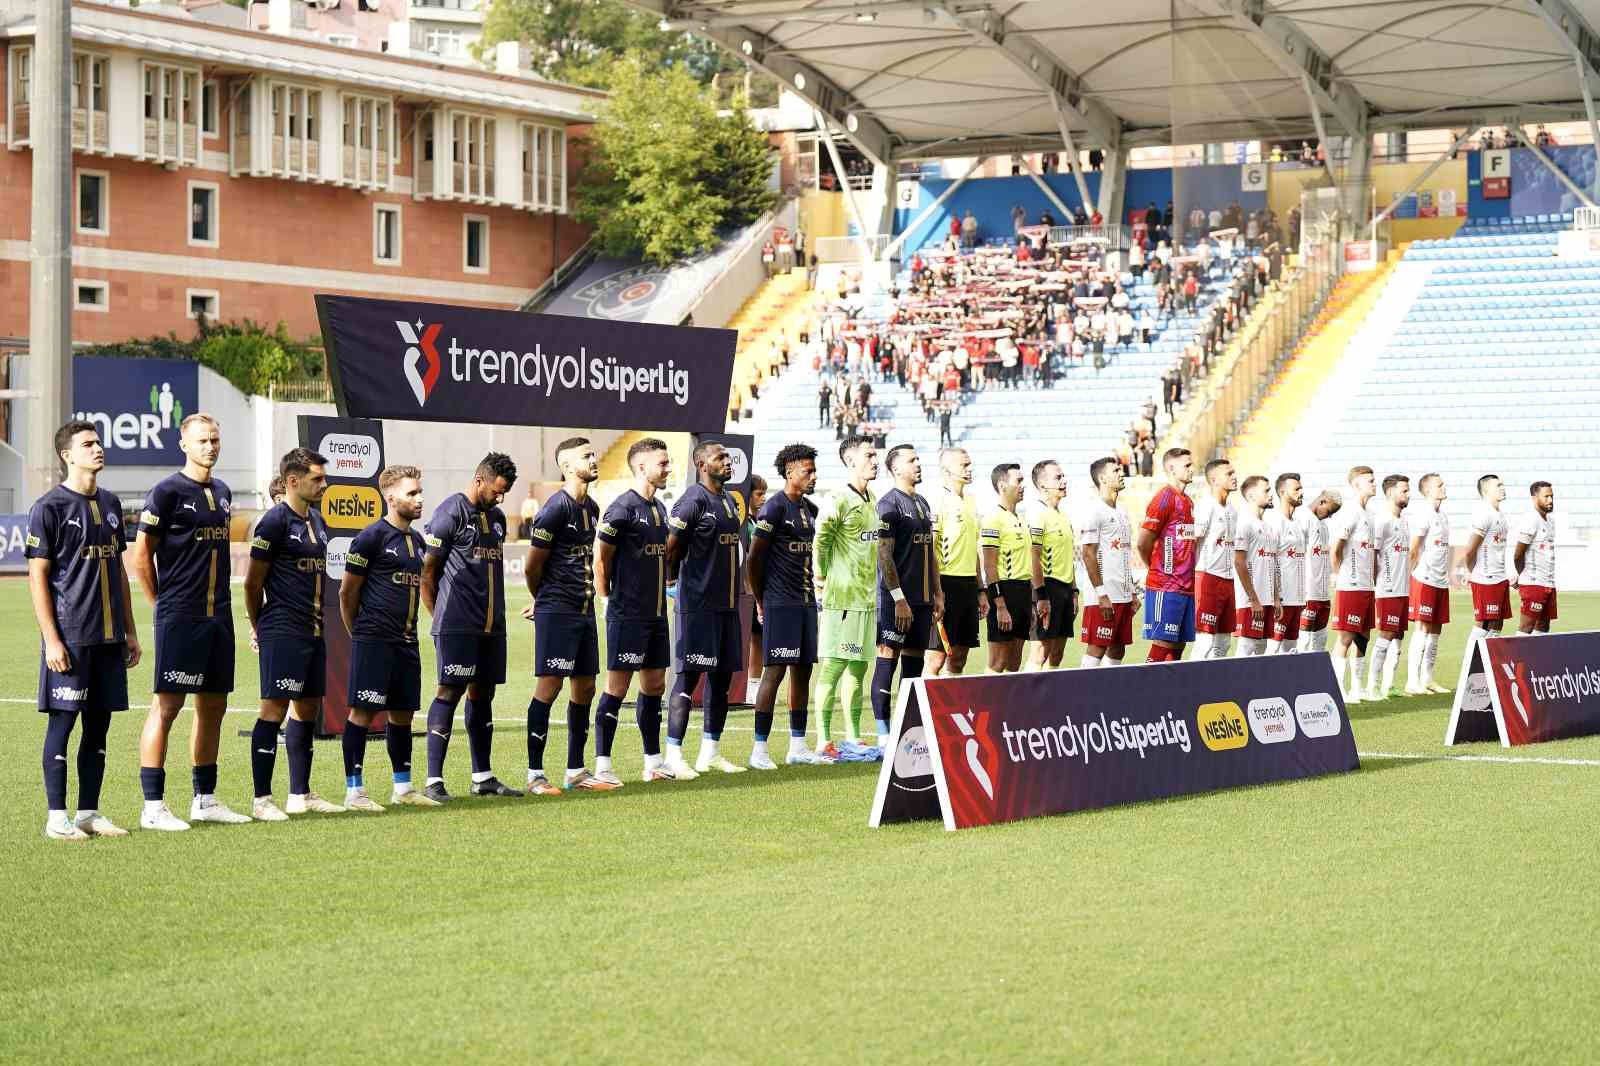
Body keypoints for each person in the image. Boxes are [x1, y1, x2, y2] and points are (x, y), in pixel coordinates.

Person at [131, 413, 250, 831]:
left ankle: (205, 799)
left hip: (219, 616)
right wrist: (161, 605)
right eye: (202, 440)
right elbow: (141, 556)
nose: (210, 446)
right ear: (183, 444)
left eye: (214, 439)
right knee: (167, 706)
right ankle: (153, 807)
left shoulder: (223, 491)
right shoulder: (166, 492)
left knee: (214, 705)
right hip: (180, 616)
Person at [27, 420, 140, 839]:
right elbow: (37, 577)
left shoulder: (110, 502)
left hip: (109, 638)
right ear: (67, 455)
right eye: (88, 444)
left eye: (98, 442)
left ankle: (89, 813)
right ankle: (57, 818)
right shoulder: (49, 507)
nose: (97, 448)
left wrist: (130, 631)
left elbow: (119, 571)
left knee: (98, 728)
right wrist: (51, 639)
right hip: (71, 638)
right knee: (62, 725)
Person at [245, 447, 344, 818]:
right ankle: (261, 800)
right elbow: (252, 584)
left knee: (307, 708)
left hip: (314, 630)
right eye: (317, 479)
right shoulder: (273, 522)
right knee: (274, 709)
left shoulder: (318, 520)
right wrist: (260, 625)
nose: (324, 484)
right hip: (283, 629)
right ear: (292, 481)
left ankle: (300, 795)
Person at [420, 452, 523, 802]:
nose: (500, 498)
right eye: (497, 490)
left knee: (483, 694)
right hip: (457, 625)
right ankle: (434, 781)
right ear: (479, 480)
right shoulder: (450, 512)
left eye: (505, 492)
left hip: (492, 626)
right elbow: (428, 573)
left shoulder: (497, 519)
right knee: (450, 692)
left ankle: (483, 777)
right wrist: (440, 618)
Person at [338, 464, 437, 810]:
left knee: (403, 715)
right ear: (391, 498)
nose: (419, 499)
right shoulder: (370, 537)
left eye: (420, 492)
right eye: (412, 493)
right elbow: (347, 594)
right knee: (363, 713)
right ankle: (355, 792)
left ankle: (403, 788)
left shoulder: (418, 541)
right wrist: (361, 635)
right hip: (374, 641)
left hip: (407, 643)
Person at [523, 437, 616, 793]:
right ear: (566, 466)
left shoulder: (591, 507)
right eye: (585, 456)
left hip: (584, 610)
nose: (594, 459)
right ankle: (535, 775)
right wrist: (544, 600)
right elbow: (532, 567)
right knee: (550, 687)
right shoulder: (554, 509)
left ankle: (576, 771)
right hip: (559, 610)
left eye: (593, 454)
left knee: (586, 688)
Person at [595, 438, 675, 782]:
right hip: (627, 614)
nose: (668, 468)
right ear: (642, 467)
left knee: (655, 685)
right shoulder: (622, 509)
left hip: (656, 614)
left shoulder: (659, 508)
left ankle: (653, 763)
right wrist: (606, 600)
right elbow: (600, 559)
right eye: (663, 463)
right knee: (617, 688)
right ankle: (603, 766)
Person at [665, 440, 745, 776]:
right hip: (698, 606)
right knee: (688, 679)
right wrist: (673, 583)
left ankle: (710, 753)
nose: (727, 462)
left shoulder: (728, 500)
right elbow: (671, 547)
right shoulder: (693, 500)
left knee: (721, 679)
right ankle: (673, 755)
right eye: (720, 457)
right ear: (701, 465)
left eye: (727, 457)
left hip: (727, 606)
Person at [747, 444, 830, 767]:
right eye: (808, 471)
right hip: (780, 603)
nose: (813, 476)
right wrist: (761, 600)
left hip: (806, 602)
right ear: (789, 472)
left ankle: (798, 746)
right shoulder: (773, 509)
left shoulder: (810, 508)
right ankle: (759, 750)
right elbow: (754, 560)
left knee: (803, 672)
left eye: (814, 470)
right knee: (775, 671)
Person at [871, 445, 943, 744]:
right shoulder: (888, 504)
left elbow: (930, 551)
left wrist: (938, 592)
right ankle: (883, 735)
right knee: (888, 658)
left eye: (918, 459)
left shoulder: (923, 502)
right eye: (912, 460)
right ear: (896, 468)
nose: (918, 464)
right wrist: (898, 598)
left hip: (922, 599)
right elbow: (883, 554)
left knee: (914, 665)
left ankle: (904, 732)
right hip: (895, 600)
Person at [812, 435, 880, 750]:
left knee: (859, 668)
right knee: (834, 667)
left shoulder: (872, 498)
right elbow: (820, 542)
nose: (875, 461)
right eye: (869, 456)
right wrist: (820, 581)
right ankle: (824, 739)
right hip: (842, 600)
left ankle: (853, 736)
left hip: (867, 601)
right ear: (850, 460)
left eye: (875, 456)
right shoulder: (837, 499)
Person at [926, 448, 987, 678]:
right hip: (945, 583)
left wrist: (981, 589)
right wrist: (936, 591)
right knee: (936, 656)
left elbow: (974, 549)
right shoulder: (937, 501)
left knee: (960, 656)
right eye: (964, 465)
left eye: (969, 464)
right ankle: (922, 700)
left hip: (968, 586)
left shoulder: (971, 501)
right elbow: (930, 549)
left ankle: (949, 699)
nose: (969, 469)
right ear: (946, 470)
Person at [1138, 448, 1197, 662]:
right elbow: (1143, 542)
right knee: (1162, 644)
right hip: (1166, 585)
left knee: (1178, 647)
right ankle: (1146, 683)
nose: (1192, 469)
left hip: (1186, 586)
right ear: (1171, 468)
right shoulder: (1164, 497)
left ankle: (1171, 685)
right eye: (1187, 465)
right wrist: (1157, 568)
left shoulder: (1188, 502)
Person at [1077, 457, 1136, 666]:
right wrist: (1101, 594)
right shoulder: (1094, 511)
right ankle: (1083, 686)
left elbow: (1124, 554)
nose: (1121, 473)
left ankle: (1109, 687)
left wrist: (1132, 592)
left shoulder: (1122, 510)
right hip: (1103, 595)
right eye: (1116, 471)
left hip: (1123, 593)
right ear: (1102, 479)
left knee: (1118, 648)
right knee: (1097, 647)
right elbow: (1088, 553)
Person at [1329, 466, 1379, 705]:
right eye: (1370, 481)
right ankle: (1337, 688)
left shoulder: (1369, 514)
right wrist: (1338, 574)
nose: (1374, 484)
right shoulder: (1350, 512)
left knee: (1364, 636)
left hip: (1366, 586)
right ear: (1357, 485)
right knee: (1345, 637)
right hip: (1350, 585)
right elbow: (1336, 548)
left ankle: (1357, 688)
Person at [980, 463, 1031, 674]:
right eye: (1018, 481)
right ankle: (986, 696)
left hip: (1023, 592)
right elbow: (989, 565)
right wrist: (1000, 606)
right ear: (1002, 485)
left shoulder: (1021, 518)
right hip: (1005, 593)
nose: (1023, 485)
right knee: (998, 661)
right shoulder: (993, 518)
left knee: (1014, 662)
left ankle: (1011, 698)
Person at [1365, 475, 1412, 700]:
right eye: (1404, 491)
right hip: (1388, 588)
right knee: (1386, 634)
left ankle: (1389, 684)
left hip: (1404, 588)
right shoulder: (1381, 521)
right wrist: (1378, 583)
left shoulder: (1404, 521)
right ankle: (1372, 685)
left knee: (1398, 635)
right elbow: (1372, 555)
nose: (1408, 495)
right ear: (1392, 492)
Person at [1026, 460, 1075, 670]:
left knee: (1057, 652)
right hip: (1047, 587)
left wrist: (1074, 591)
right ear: (1043, 485)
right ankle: (1027, 689)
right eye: (1058, 477)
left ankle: (1051, 689)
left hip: (1065, 588)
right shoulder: (1037, 513)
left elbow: (1068, 557)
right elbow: (1033, 556)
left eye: (1063, 476)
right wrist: (1041, 594)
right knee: (1041, 650)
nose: (1064, 481)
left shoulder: (1063, 516)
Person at [1405, 473, 1452, 694]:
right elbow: (1414, 549)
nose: (1443, 487)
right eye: (1439, 485)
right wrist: (1408, 576)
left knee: (1435, 630)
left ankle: (1427, 679)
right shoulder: (1423, 514)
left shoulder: (1443, 516)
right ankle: (1412, 681)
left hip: (1440, 581)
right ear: (1428, 490)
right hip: (1424, 579)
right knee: (1422, 628)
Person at [1192, 459, 1239, 659]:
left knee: (1224, 642)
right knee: (1205, 641)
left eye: (1234, 472)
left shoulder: (1232, 510)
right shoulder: (1205, 506)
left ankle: (1216, 679)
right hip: (1207, 577)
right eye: (1229, 473)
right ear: (1213, 480)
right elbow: (1192, 541)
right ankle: (1194, 678)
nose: (1234, 477)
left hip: (1228, 579)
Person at [1464, 474, 1512, 648]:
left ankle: (1486, 662)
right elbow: (1470, 550)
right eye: (1498, 485)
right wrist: (1471, 571)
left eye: (1502, 484)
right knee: (1484, 623)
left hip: (1500, 578)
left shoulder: (1500, 515)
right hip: (1486, 579)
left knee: (1497, 625)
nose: (1502, 488)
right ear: (1486, 491)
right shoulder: (1484, 515)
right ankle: (1469, 661)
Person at [1231, 475, 1276, 657]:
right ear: (1251, 496)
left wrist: (1276, 598)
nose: (1270, 494)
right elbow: (1239, 562)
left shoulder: (1268, 526)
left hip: (1267, 599)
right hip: (1250, 601)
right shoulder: (1244, 522)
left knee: (1261, 648)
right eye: (1266, 491)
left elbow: (1271, 564)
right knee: (1246, 648)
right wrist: (1253, 599)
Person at [1296, 490, 1341, 653]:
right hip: (1307, 594)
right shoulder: (1302, 519)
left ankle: (1315, 670)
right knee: (1304, 640)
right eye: (1330, 511)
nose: (1330, 516)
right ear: (1322, 502)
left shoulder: (1324, 526)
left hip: (1323, 594)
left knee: (1320, 640)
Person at [1266, 473, 1305, 654]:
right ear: (1282, 492)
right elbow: (1269, 561)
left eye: (1301, 488)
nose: (1301, 492)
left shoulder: (1297, 523)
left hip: (1296, 599)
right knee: (1272, 649)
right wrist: (1275, 597)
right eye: (1296, 489)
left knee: (1291, 651)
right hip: (1281, 599)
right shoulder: (1274, 521)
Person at [1514, 481, 1557, 634]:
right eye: (1546, 497)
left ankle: (1539, 652)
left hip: (1548, 583)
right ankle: (1517, 651)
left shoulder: (1550, 521)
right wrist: (1522, 575)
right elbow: (1518, 554)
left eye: (1551, 496)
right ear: (1534, 498)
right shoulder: (1531, 519)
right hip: (1533, 584)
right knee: (1526, 627)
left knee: (1543, 628)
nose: (1550, 500)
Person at [742, 474, 770, 705]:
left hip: (761, 588)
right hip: (746, 590)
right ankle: (744, 688)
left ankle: (754, 686)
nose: (763, 498)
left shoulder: (761, 521)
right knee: (749, 638)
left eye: (764, 494)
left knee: (758, 639)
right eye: (759, 494)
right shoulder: (743, 524)